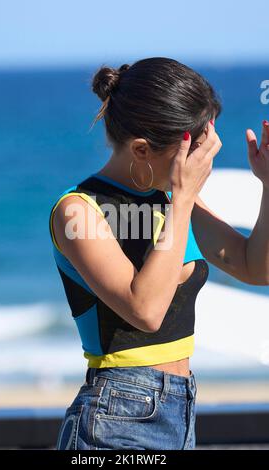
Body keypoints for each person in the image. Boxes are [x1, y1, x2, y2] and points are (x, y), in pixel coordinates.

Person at [49, 57, 269, 450]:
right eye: (194, 151)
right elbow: (146, 310)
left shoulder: (174, 200)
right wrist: (182, 201)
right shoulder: (78, 210)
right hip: (114, 416)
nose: (202, 164)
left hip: (179, 409)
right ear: (141, 149)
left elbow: (255, 267)